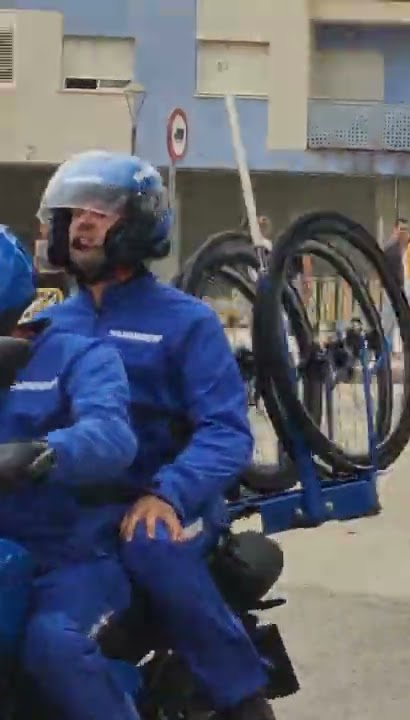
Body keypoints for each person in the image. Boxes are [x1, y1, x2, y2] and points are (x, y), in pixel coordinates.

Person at [34, 151, 272, 719]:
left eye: (103, 210)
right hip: (78, 513)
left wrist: (169, 492)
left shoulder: (186, 321)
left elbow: (226, 431)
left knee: (151, 544)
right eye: (75, 212)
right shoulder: (45, 327)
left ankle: (240, 695)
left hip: (167, 500)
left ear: (139, 223)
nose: (84, 222)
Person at [0, 228, 140, 719]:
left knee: (51, 645)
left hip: (69, 556)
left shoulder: (80, 355)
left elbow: (112, 435)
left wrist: (42, 452)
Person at [380, 218, 410, 353]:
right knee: (388, 318)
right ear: (395, 229)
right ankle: (384, 348)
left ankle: (389, 348)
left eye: (405, 229)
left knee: (392, 319)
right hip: (391, 287)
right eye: (401, 229)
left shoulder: (399, 248)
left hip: (396, 287)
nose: (403, 233)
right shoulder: (391, 247)